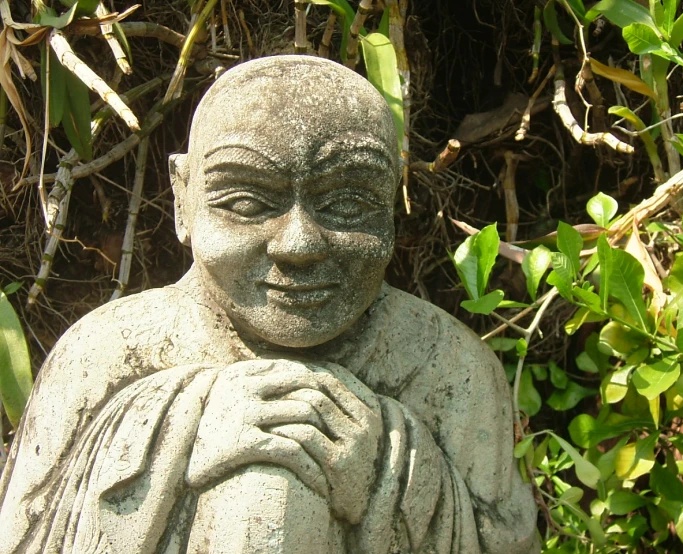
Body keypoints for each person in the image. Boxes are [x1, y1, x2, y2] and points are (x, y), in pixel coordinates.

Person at [0, 56, 539, 553]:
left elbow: (507, 539)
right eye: (247, 201)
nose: (299, 244)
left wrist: (390, 468)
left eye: (348, 202)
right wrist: (180, 428)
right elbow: (25, 531)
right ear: (183, 198)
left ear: (391, 205)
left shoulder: (449, 366)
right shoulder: (105, 354)